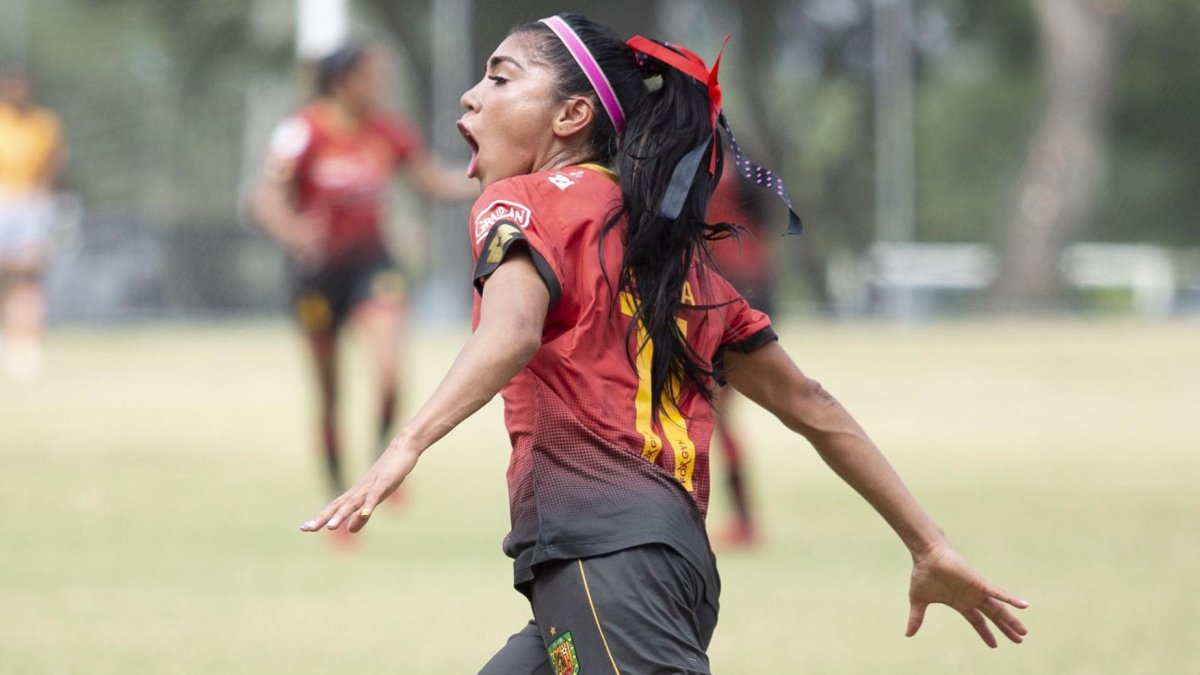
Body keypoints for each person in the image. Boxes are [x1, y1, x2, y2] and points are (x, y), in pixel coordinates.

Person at [301, 14, 1028, 673]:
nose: (469, 96)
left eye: (499, 76)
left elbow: (513, 330)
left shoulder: (517, 202)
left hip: (607, 564)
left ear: (572, 115)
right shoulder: (675, 255)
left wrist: (405, 444)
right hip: (667, 563)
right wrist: (928, 542)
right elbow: (811, 403)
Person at [251, 44, 474, 503]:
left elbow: (431, 182)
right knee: (330, 394)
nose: (380, 85)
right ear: (341, 82)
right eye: (370, 76)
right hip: (317, 276)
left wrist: (496, 175)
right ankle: (336, 490)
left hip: (373, 265)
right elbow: (265, 199)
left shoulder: (389, 132)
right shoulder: (304, 130)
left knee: (391, 373)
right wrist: (294, 231)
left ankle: (383, 460)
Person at [706, 170, 775, 547]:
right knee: (719, 413)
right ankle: (744, 520)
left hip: (725, 290)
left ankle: (744, 523)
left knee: (715, 412)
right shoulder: (743, 168)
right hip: (753, 284)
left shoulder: (697, 171)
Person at [0, 63, 64, 381]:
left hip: (32, 204)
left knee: (28, 275)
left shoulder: (44, 123)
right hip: (2, 201)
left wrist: (46, 204)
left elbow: (53, 164)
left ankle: (27, 342)